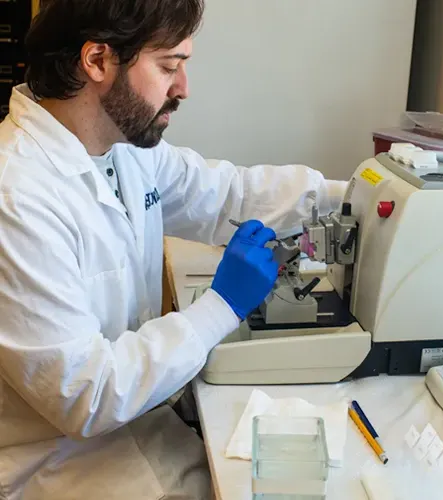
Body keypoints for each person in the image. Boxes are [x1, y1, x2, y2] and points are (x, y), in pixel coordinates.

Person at [0, 0, 347, 499]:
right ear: (97, 61)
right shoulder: (19, 195)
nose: (183, 88)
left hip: (137, 429)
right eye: (169, 66)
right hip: (60, 466)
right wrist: (221, 306)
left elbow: (228, 193)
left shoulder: (120, 148)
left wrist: (361, 193)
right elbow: (86, 395)